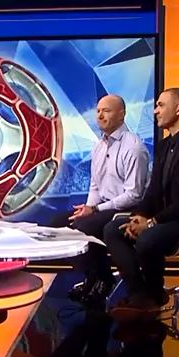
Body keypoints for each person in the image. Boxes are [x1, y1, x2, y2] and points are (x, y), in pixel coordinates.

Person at [104, 87, 179, 322]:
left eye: (160, 105)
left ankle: (153, 293)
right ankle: (141, 295)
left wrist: (152, 222)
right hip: (171, 216)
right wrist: (140, 215)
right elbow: (153, 192)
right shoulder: (164, 145)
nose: (155, 111)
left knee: (148, 238)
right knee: (113, 229)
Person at [61, 94, 150, 304]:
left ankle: (104, 279)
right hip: (103, 207)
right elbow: (95, 185)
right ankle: (92, 276)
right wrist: (89, 208)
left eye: (107, 111)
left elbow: (134, 195)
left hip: (128, 208)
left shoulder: (133, 147)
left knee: (85, 227)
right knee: (59, 226)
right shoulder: (99, 146)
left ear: (121, 115)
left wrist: (96, 211)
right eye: (98, 111)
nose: (100, 115)